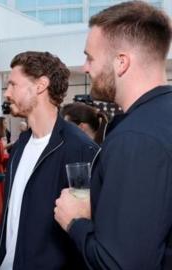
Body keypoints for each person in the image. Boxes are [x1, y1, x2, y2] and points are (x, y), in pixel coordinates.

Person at [54, 2, 172, 269]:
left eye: (90, 57)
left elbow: (120, 264)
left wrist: (75, 222)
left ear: (121, 62)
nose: (85, 67)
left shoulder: (136, 138)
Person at [0, 51, 99, 270]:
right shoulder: (21, 144)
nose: (7, 93)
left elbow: (90, 232)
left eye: (13, 85)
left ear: (40, 85)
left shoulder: (81, 149)